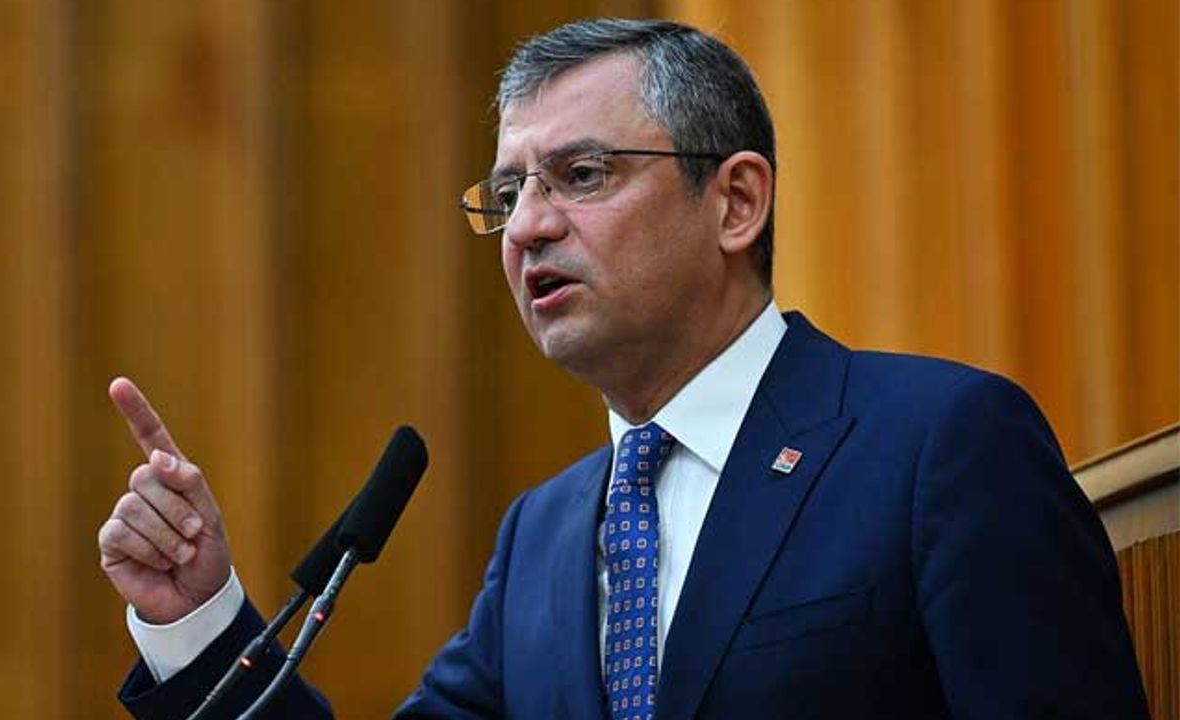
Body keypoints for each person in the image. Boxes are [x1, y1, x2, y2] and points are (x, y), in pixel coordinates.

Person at [99, 18, 1149, 719]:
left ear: (735, 202)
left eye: (581, 174)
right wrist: (198, 617)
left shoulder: (938, 446)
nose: (528, 226)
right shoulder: (544, 536)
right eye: (508, 194)